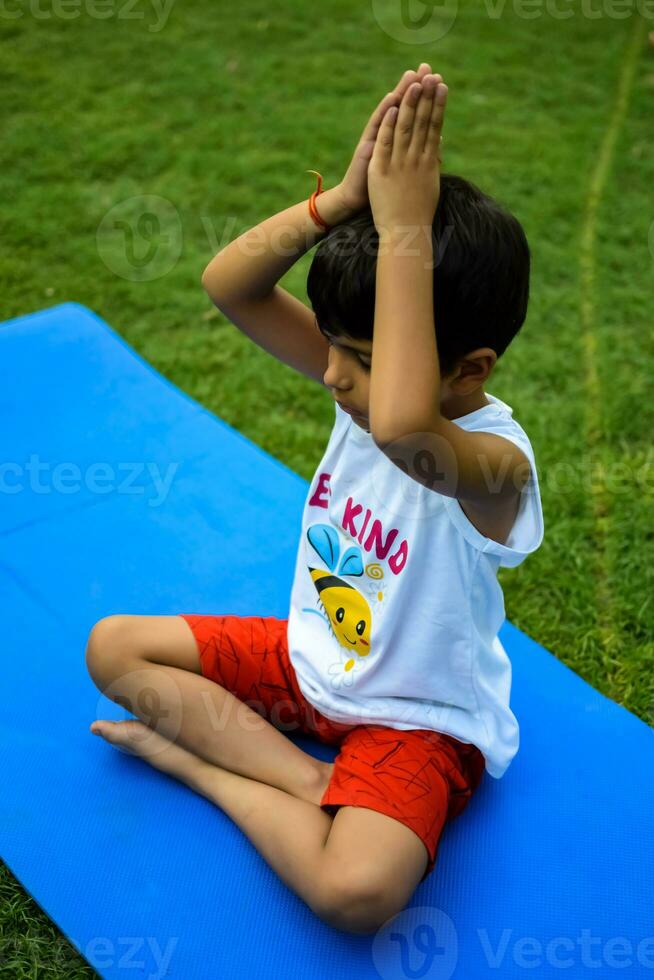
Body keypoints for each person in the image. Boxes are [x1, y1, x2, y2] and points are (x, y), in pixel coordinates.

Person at [85, 61, 544, 935]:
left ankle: (205, 771)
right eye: (331, 344)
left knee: (356, 895)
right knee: (114, 650)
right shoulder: (362, 389)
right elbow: (231, 285)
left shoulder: (494, 466)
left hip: (414, 719)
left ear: (471, 367)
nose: (331, 372)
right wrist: (341, 206)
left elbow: (410, 426)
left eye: (359, 355)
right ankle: (301, 783)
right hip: (309, 668)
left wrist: (408, 225)